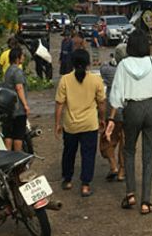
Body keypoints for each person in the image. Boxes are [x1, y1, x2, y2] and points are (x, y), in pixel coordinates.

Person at [106, 29, 152, 215]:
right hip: (151, 108)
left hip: (132, 109)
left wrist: (112, 116)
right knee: (148, 156)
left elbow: (116, 94)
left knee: (128, 151)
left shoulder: (123, 64)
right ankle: (146, 202)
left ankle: (130, 194)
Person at [55, 49, 106, 197]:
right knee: (88, 154)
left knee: (69, 152)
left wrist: (57, 124)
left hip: (70, 125)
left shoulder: (65, 79)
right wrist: (102, 119)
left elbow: (59, 104)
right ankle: (85, 185)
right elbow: (101, 103)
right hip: (90, 125)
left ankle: (68, 180)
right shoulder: (96, 80)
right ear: (88, 64)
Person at [99, 44, 127, 182]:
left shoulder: (108, 70)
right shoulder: (130, 71)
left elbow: (103, 67)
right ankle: (122, 170)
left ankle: (113, 165)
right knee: (125, 141)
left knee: (108, 138)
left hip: (112, 110)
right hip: (128, 110)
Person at [2, 47, 30, 151]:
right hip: (18, 108)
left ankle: (8, 156)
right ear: (17, 58)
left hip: (8, 107)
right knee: (18, 135)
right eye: (22, 56)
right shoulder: (17, 71)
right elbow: (19, 88)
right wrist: (25, 105)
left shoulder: (8, 71)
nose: (23, 57)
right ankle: (17, 159)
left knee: (8, 134)